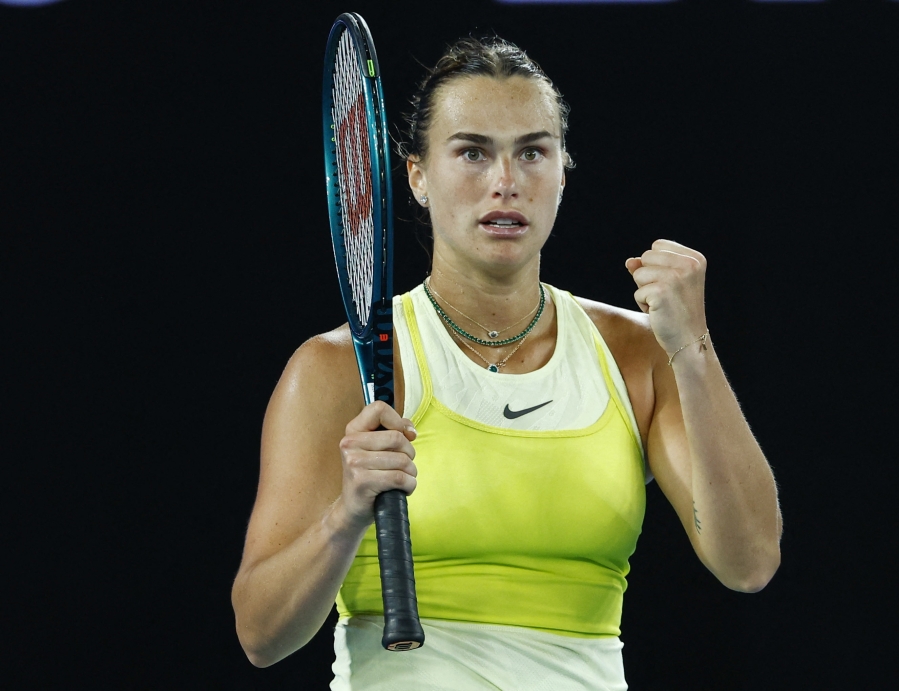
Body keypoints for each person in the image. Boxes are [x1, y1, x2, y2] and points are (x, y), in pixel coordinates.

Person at [231, 37, 782, 690]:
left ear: (562, 174)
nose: (506, 182)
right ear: (417, 176)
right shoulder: (334, 369)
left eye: (532, 152)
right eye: (472, 152)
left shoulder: (638, 354)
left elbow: (749, 562)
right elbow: (261, 635)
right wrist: (345, 514)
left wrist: (693, 347)